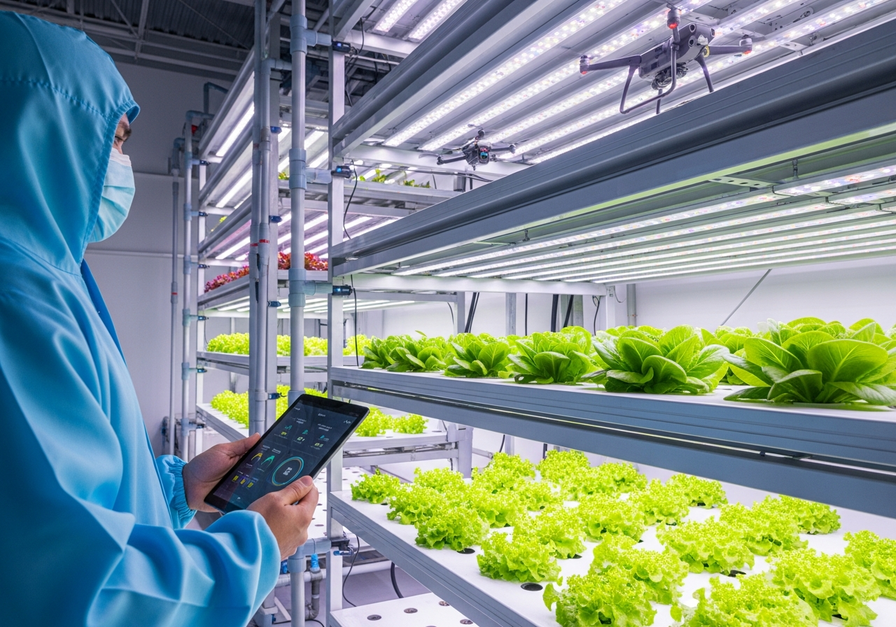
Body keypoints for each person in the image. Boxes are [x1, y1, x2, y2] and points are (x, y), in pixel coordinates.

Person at [0, 12, 318, 625]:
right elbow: (74, 590)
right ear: (44, 129)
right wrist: (254, 549)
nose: (120, 162)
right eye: (115, 140)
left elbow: (59, 500)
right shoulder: (17, 302)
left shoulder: (51, 275)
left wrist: (180, 487)